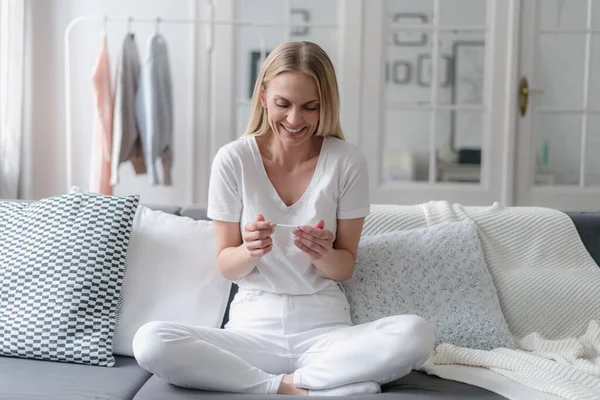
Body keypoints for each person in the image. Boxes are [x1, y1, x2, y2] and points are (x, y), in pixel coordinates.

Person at [132, 41, 435, 396]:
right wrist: (250, 250)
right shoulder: (233, 160)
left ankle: (289, 385)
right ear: (263, 98)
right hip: (251, 333)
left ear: (327, 105)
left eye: (310, 107)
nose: (295, 119)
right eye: (283, 104)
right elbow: (227, 266)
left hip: (326, 334)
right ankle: (299, 389)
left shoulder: (346, 161)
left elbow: (345, 267)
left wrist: (323, 254)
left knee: (416, 334)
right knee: (150, 341)